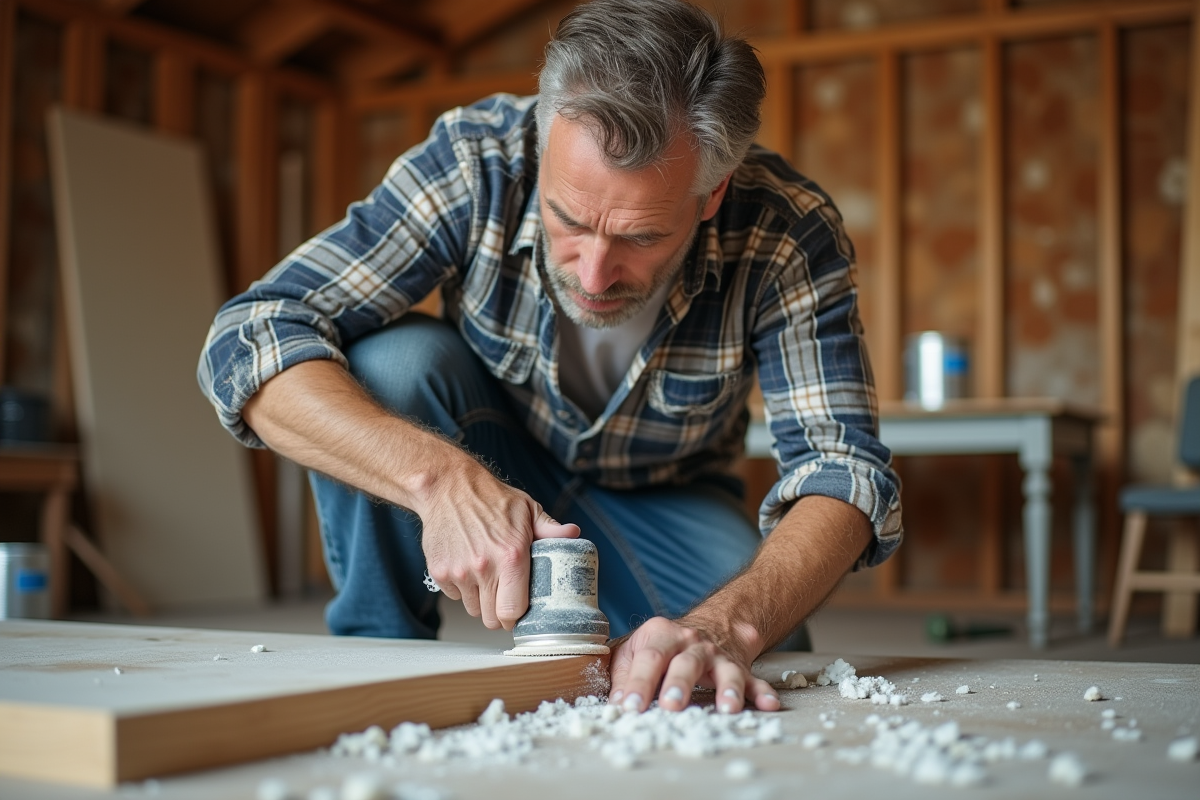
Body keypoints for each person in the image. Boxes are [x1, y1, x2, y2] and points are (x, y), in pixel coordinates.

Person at [198, 0, 902, 715]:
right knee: (389, 365)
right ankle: (381, 650)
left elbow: (841, 469)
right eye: (568, 220)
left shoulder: (786, 231)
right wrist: (439, 482)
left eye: (642, 236)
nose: (594, 276)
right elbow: (251, 334)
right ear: (543, 141)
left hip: (662, 504)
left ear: (711, 191)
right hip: (486, 450)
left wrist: (727, 626)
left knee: (748, 662)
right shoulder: (477, 160)